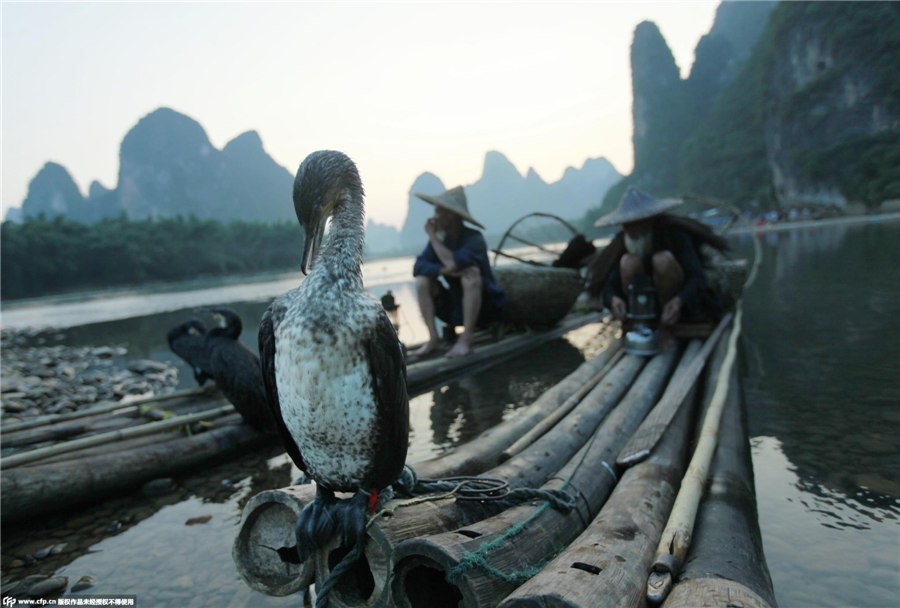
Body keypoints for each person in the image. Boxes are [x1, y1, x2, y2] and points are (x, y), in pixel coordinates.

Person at [586, 188, 727, 328]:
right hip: (642, 308)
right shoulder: (624, 242)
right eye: (627, 225)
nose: (632, 231)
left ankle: (667, 327)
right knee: (628, 262)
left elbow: (697, 278)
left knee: (662, 260)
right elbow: (609, 284)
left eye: (637, 224)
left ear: (649, 221)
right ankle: (638, 324)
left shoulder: (674, 236)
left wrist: (679, 300)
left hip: (679, 306)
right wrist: (613, 299)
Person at [412, 186, 506, 358]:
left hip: (486, 309)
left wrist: (433, 238)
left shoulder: (474, 238)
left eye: (439, 211)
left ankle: (466, 340)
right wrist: (442, 270)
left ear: (452, 215)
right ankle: (433, 338)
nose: (435, 217)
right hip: (456, 309)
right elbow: (418, 267)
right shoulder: (441, 241)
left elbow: (454, 263)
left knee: (471, 276)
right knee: (422, 281)